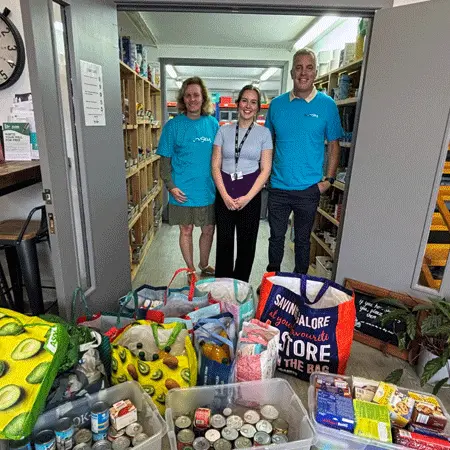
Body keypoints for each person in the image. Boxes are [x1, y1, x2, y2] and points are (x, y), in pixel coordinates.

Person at [265, 48, 343, 276]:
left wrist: (328, 179)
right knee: (276, 238)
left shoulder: (327, 105)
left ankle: (299, 283)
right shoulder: (277, 105)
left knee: (302, 241)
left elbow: (334, 144)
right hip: (278, 186)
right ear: (291, 72)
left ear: (315, 72)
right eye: (299, 67)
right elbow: (267, 142)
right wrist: (265, 175)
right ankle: (272, 281)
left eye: (309, 67)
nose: (303, 72)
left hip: (309, 188)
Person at [157, 77, 218, 282]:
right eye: (189, 95)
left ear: (203, 98)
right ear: (184, 98)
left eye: (197, 95)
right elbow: (164, 162)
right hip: (182, 191)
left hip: (207, 190)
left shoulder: (212, 124)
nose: (193, 99)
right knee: (186, 230)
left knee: (208, 228)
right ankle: (191, 268)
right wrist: (171, 187)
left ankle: (204, 263)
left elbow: (220, 158)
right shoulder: (173, 126)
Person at [212, 85, 273, 282]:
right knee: (224, 244)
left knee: (247, 246)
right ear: (238, 104)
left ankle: (240, 289)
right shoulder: (223, 131)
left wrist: (247, 198)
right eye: (244, 101)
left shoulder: (264, 134)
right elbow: (215, 166)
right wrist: (225, 196)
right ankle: (222, 290)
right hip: (225, 196)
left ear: (258, 107)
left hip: (250, 197)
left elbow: (265, 169)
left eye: (253, 102)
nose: (248, 106)